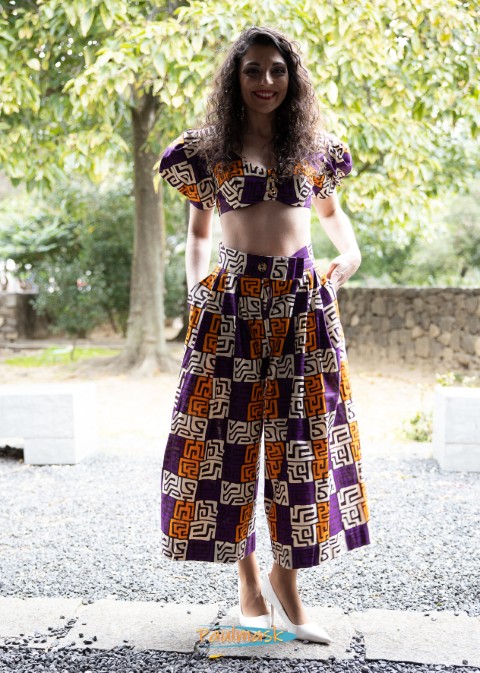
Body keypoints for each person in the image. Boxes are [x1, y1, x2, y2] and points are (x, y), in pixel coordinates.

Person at [158, 25, 371, 645]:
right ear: (235, 78)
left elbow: (331, 214)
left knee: (302, 443)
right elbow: (199, 235)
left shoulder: (315, 147)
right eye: (252, 70)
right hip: (230, 308)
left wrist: (351, 255)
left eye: (277, 70)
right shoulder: (203, 151)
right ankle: (249, 583)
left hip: (302, 308)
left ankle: (288, 580)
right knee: (225, 445)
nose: (266, 81)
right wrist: (197, 295)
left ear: (292, 78)